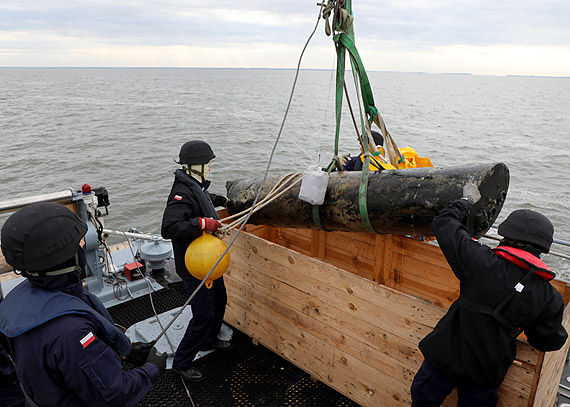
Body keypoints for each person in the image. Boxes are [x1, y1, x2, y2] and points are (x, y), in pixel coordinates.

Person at [411, 183, 568, 406]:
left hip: (444, 357)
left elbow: (444, 223)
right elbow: (549, 341)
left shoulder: (479, 260)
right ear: (542, 248)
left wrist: (466, 201)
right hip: (486, 372)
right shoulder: (549, 297)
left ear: (506, 236)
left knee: (423, 401)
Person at [0, 202, 167, 407]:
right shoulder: (73, 334)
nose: (83, 246)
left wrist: (127, 350)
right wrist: (152, 369)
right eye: (79, 244)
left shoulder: (16, 300)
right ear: (66, 259)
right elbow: (114, 395)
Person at [161, 140, 231, 383]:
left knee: (220, 300)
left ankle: (210, 340)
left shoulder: (195, 186)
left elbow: (203, 198)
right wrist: (203, 223)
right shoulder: (180, 194)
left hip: (209, 263)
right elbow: (168, 228)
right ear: (196, 166)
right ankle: (182, 362)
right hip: (194, 266)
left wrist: (222, 199)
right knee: (202, 315)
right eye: (208, 164)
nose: (210, 167)